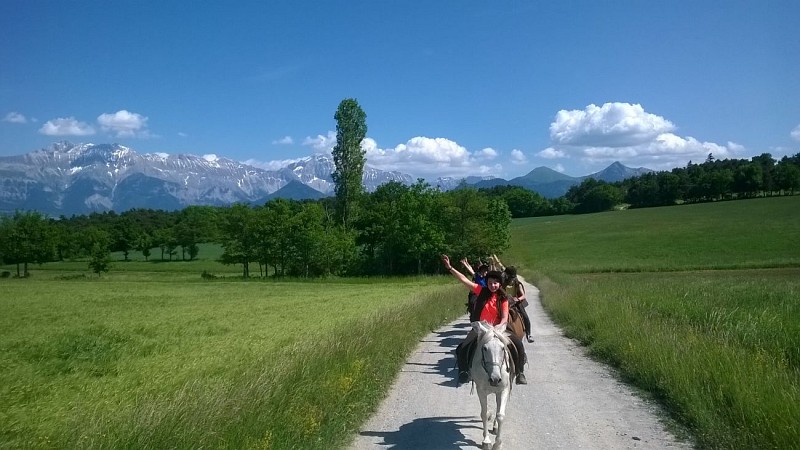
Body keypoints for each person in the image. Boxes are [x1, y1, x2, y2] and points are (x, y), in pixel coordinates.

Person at [442, 254, 528, 385]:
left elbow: (505, 317)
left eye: (495, 283)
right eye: (490, 283)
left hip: (499, 328)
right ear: (486, 283)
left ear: (499, 284)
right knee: (462, 348)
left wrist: (498, 328)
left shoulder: (503, 298)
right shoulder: (480, 291)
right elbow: (464, 280)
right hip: (481, 328)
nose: (493, 285)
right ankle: (464, 372)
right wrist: (450, 268)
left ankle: (520, 373)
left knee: (519, 345)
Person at [504, 266, 534, 343]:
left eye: (512, 277)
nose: (511, 279)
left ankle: (528, 334)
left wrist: (517, 299)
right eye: (510, 277)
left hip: (515, 302)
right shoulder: (503, 283)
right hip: (505, 301)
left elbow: (523, 295)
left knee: (525, 316)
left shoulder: (518, 284)